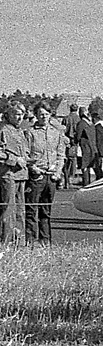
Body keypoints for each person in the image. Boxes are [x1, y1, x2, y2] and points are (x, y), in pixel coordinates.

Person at [23, 102, 66, 243]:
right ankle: (30, 241)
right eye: (41, 114)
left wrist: (58, 172)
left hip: (51, 177)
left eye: (46, 114)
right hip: (36, 177)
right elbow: (25, 154)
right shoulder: (30, 133)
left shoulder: (56, 133)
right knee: (31, 211)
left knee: (46, 212)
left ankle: (45, 241)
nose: (44, 117)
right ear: (36, 115)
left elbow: (61, 155)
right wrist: (33, 168)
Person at [0, 102, 28, 244]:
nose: (19, 117)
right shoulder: (3, 130)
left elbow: (25, 151)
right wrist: (15, 159)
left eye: (22, 114)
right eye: (16, 114)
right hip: (8, 174)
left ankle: (19, 243)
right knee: (8, 211)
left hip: (21, 175)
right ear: (8, 114)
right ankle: (5, 243)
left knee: (20, 211)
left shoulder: (20, 131)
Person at [74, 108, 99, 187]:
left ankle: (86, 184)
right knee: (91, 166)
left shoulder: (81, 123)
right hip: (92, 148)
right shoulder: (91, 124)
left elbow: (78, 137)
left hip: (84, 147)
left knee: (84, 167)